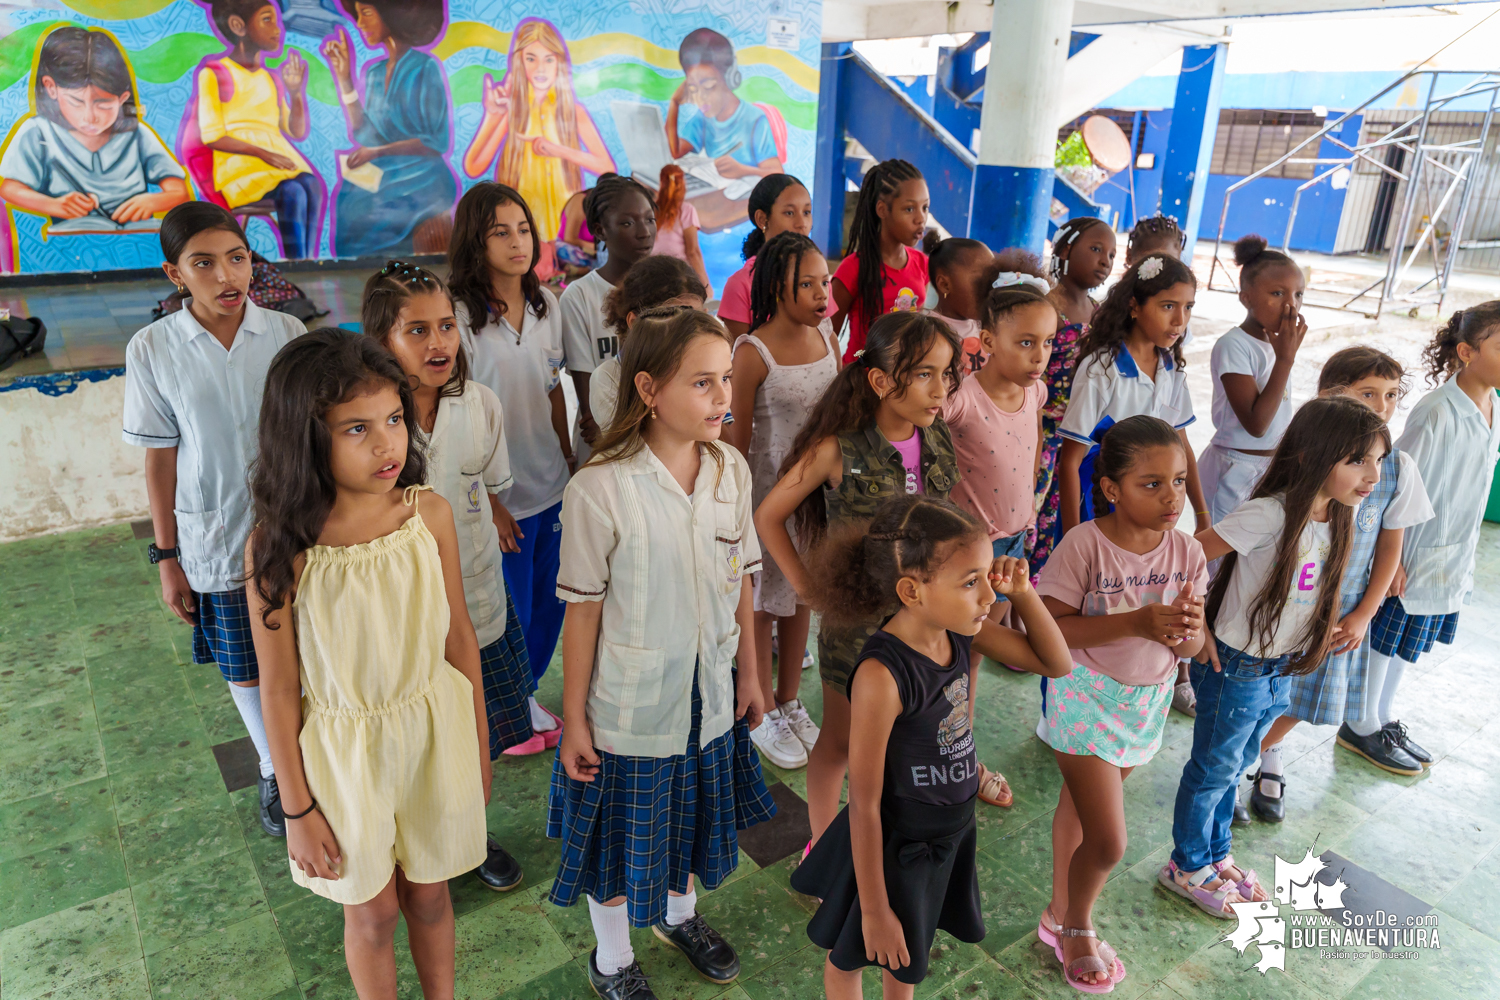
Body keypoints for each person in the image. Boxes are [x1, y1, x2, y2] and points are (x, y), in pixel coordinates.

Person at [245, 328, 488, 998]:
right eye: (357, 428)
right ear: (305, 437)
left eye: (393, 420)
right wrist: (297, 810)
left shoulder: (427, 515)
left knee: (433, 896)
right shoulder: (279, 547)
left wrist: (480, 745)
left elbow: (458, 639)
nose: (387, 444)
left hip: (433, 733)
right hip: (345, 752)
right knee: (373, 911)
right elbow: (280, 690)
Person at [549, 307, 776, 999]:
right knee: (619, 848)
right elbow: (582, 615)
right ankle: (612, 961)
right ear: (649, 388)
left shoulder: (729, 469)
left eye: (726, 381)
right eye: (702, 383)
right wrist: (576, 720)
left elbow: (741, 573)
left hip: (708, 694)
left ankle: (681, 918)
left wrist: (752, 670)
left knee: (689, 821)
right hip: (631, 707)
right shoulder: (600, 488)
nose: (722, 399)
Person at [791, 495, 1072, 999]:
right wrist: (875, 910)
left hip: (948, 833)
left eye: (987, 575)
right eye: (971, 582)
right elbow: (865, 801)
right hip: (895, 844)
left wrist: (1025, 595)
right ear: (911, 590)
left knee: (907, 961)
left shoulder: (962, 632)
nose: (988, 594)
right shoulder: (882, 675)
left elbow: (1056, 663)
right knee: (851, 955)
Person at [1163, 397, 1388, 922]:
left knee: (1238, 765)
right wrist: (1198, 629)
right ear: (1315, 454)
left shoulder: (1337, 516)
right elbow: (1190, 556)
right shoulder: (1270, 512)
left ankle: (1216, 857)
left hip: (1277, 666)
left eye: (1379, 461)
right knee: (1214, 768)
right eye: (1358, 460)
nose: (1373, 475)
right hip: (1237, 664)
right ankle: (1185, 865)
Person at [122, 203, 306, 838]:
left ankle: (309, 761)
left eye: (237, 257)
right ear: (175, 274)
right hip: (215, 533)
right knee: (245, 664)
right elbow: (160, 461)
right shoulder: (153, 349)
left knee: (301, 654)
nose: (228, 275)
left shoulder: (286, 333)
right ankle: (273, 768)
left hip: (294, 529)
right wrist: (167, 559)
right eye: (204, 263)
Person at [360, 260, 536, 892]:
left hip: (479, 599)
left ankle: (472, 832)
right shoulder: (370, 418)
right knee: (414, 731)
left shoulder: (478, 404)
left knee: (475, 726)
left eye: (447, 327)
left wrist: (489, 511)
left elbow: (488, 483)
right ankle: (411, 839)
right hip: (403, 617)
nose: (439, 344)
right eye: (417, 331)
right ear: (381, 339)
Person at [755, 312, 961, 845]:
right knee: (840, 745)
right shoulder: (838, 448)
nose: (942, 389)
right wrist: (806, 588)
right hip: (857, 631)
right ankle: (822, 848)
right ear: (880, 380)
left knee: (899, 743)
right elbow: (768, 515)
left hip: (922, 625)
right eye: (925, 375)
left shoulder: (935, 436)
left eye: (947, 374)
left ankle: (881, 841)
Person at [1037, 416, 1209, 989]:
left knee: (1079, 812)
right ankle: (1077, 927)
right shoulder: (1084, 545)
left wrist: (1186, 633)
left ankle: (1057, 911)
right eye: (1152, 484)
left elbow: (1192, 642)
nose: (1172, 498)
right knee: (1109, 841)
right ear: (1111, 488)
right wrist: (1134, 621)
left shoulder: (1187, 552)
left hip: (1145, 703)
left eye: (1180, 481)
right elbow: (1050, 630)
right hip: (1085, 699)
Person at [1247, 347, 1434, 820]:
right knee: (1260, 691)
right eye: (1368, 393)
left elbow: (1391, 545)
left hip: (1342, 611)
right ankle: (1238, 763)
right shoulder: (1307, 457)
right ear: (1331, 397)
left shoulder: (1396, 467)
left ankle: (1254, 758)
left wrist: (1364, 612)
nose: (1383, 405)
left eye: (1392, 394)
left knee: (1300, 700)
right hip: (1290, 601)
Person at [1347, 303, 1500, 772]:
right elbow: (1396, 485)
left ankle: (1383, 715)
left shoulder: (1494, 405)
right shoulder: (1436, 412)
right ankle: (1359, 722)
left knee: (1411, 641)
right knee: (1386, 638)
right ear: (1467, 352)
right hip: (1413, 551)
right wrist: (1393, 560)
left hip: (1453, 547)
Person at [448, 182, 571, 746]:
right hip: (496, 497)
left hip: (552, 482)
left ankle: (525, 694)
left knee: (553, 604)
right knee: (507, 611)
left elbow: (551, 393)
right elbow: (457, 416)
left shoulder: (548, 307)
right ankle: (508, 706)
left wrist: (570, 461)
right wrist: (491, 502)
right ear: (476, 241)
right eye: (501, 232)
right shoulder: (457, 318)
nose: (517, 242)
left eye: (523, 228)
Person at [939, 250, 1054, 799]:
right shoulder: (962, 399)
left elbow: (1028, 452)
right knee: (951, 649)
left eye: (1047, 343)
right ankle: (940, 749)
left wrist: (1028, 507)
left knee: (977, 651)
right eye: (1025, 342)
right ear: (986, 341)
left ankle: (961, 747)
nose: (1039, 356)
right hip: (966, 551)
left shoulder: (1036, 391)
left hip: (1012, 541)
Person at [725, 232, 839, 771]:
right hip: (769, 496)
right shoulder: (752, 352)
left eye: (826, 283)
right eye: (808, 285)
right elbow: (737, 440)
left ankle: (791, 700)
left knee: (804, 597)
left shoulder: (830, 338)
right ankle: (763, 707)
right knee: (766, 604)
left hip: (818, 498)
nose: (822, 295)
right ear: (776, 287)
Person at [0, 26, 189, 227]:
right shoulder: (38, 132)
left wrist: (153, 201)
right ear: (51, 88)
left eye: (103, 103)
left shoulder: (137, 135)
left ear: (122, 98)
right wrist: (53, 204)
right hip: (71, 246)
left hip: (136, 241)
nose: (90, 117)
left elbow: (179, 191)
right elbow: (10, 188)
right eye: (76, 101)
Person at [321, 1, 457, 256]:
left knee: (378, 207)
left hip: (424, 174)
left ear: (392, 15)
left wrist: (377, 152)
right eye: (357, 15)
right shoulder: (374, 73)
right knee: (349, 198)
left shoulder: (425, 68)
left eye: (367, 13)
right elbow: (365, 134)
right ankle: (367, 276)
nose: (360, 24)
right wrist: (344, 79)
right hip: (389, 170)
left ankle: (399, 276)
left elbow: (436, 141)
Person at [462, 17, 614, 241]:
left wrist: (557, 149)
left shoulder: (573, 112)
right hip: (522, 226)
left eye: (549, 59)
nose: (540, 68)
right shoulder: (514, 110)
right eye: (531, 58)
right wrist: (492, 116)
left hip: (564, 229)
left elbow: (606, 167)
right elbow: (473, 166)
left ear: (559, 62)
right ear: (520, 62)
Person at [193, 0, 322, 258]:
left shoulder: (270, 78)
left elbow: (295, 131)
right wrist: (263, 153)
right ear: (238, 26)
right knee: (293, 191)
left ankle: (306, 262)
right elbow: (212, 135)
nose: (278, 29)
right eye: (267, 20)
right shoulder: (215, 73)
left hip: (277, 167)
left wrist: (296, 94)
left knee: (312, 185)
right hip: (240, 169)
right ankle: (294, 264)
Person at [1199, 235, 1307, 523]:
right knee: (1223, 560)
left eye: (1298, 294)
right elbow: (1257, 424)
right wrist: (1285, 359)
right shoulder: (1234, 345)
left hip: (1271, 466)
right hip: (1236, 468)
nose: (1290, 305)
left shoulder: (1277, 344)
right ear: (1246, 298)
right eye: (1277, 294)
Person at [1032, 217, 1116, 582]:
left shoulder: (1100, 313)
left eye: (1111, 254)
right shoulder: (1047, 307)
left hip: (1081, 435)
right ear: (1065, 250)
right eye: (1095, 249)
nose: (1105, 261)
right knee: (1035, 516)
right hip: (1043, 432)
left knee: (1067, 512)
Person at [560, 173, 658, 454]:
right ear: (600, 230)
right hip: (604, 448)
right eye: (627, 223)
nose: (644, 232)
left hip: (660, 443)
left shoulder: (667, 288)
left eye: (649, 219)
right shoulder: (579, 296)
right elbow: (592, 407)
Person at [590, 254, 708, 431]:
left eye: (697, 318)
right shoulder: (609, 378)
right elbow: (630, 451)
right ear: (634, 322)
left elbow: (724, 440)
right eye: (675, 318)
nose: (688, 330)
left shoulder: (707, 369)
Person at [830, 159, 931, 363]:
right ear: (882, 209)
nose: (921, 219)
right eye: (909, 209)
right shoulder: (853, 269)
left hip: (903, 381)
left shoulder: (922, 264)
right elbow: (826, 337)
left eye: (925, 207)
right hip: (861, 381)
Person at [665, 27, 781, 181]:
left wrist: (743, 170)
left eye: (709, 86)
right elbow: (675, 152)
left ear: (730, 77)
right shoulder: (702, 118)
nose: (700, 98)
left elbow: (778, 174)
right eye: (693, 89)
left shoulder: (755, 120)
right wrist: (674, 104)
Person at [718, 174, 813, 339]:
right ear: (762, 219)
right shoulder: (740, 285)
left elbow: (828, 344)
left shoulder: (817, 277)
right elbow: (739, 359)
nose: (802, 223)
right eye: (789, 213)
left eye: (806, 212)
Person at [924, 237, 994, 377]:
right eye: (980, 281)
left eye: (992, 279)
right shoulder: (926, 333)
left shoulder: (987, 325)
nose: (989, 288)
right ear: (944, 285)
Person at [651, 164, 712, 297]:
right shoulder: (687, 210)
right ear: (683, 183)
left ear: (661, 182)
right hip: (679, 279)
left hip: (653, 277)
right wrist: (705, 285)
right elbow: (692, 252)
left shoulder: (652, 210)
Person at [555, 188, 597, 271]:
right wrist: (596, 248)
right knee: (561, 251)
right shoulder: (580, 200)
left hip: (590, 253)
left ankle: (584, 269)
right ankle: (590, 268)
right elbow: (569, 238)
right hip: (570, 248)